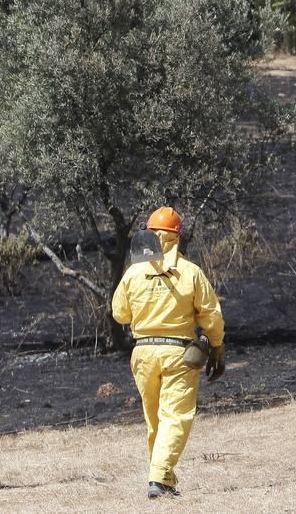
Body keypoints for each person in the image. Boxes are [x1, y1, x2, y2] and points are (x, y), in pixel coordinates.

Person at [113, 206, 226, 499]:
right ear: (177, 235)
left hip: (142, 353)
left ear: (149, 234)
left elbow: (120, 314)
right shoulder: (190, 272)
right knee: (175, 416)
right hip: (179, 354)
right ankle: (160, 478)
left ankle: (161, 476)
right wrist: (217, 346)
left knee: (155, 419)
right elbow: (212, 316)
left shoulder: (134, 272)